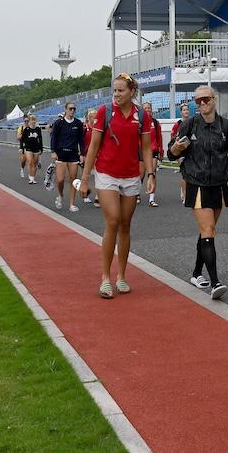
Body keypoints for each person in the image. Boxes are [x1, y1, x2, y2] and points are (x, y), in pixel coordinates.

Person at [168, 85, 228, 300]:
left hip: (219, 184)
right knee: (208, 229)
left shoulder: (227, 126)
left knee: (207, 232)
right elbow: (171, 152)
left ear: (214, 99)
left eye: (206, 99)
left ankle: (196, 273)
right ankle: (215, 283)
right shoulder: (189, 124)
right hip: (197, 183)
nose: (202, 103)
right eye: (198, 100)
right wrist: (176, 148)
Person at [79, 73, 154, 299]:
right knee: (112, 220)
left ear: (132, 91)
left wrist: (151, 174)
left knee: (125, 224)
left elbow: (147, 148)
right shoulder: (105, 112)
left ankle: (121, 276)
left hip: (131, 175)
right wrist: (85, 178)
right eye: (114, 90)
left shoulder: (142, 115)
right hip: (106, 173)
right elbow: (93, 147)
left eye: (121, 90)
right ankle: (105, 278)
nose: (116, 94)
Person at [49, 103, 85, 212]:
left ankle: (72, 204)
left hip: (73, 155)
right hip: (61, 154)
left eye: (74, 109)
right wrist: (53, 151)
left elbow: (81, 140)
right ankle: (60, 195)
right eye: (70, 108)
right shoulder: (58, 123)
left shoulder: (78, 123)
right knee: (60, 180)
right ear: (65, 109)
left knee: (73, 180)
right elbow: (53, 137)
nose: (72, 110)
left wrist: (82, 154)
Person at [142, 101, 164, 207]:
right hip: (141, 151)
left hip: (153, 150)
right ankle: (136, 194)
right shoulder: (139, 123)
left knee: (152, 174)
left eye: (149, 108)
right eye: (145, 108)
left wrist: (161, 151)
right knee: (140, 175)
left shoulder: (155, 123)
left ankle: (151, 198)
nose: (147, 110)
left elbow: (159, 138)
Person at [170, 103, 191, 203]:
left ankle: (186, 191)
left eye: (187, 109)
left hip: (190, 151)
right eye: (184, 110)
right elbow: (172, 139)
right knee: (184, 173)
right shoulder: (177, 124)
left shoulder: (192, 122)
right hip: (180, 152)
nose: (186, 111)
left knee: (190, 173)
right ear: (181, 112)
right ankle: (185, 194)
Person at [81, 108, 99, 207]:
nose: (95, 119)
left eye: (96, 117)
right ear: (89, 118)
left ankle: (98, 196)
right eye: (93, 117)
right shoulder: (84, 128)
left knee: (98, 176)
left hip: (97, 155)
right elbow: (81, 142)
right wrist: (82, 154)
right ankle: (85, 195)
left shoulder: (98, 128)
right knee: (86, 175)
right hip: (87, 155)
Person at [21, 115, 43, 184]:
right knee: (30, 161)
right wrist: (22, 148)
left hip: (36, 148)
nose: (33, 121)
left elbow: (40, 139)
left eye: (34, 120)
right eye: (32, 120)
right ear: (29, 121)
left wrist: (41, 149)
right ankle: (30, 177)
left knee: (35, 164)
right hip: (28, 148)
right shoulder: (26, 129)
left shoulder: (38, 129)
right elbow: (22, 139)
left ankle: (33, 177)